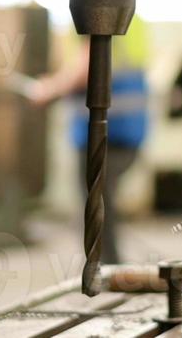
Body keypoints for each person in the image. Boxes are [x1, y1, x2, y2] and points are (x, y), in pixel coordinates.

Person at [30, 14, 150, 264]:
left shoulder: (93, 8)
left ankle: (107, 269)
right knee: (99, 202)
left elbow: (86, 67)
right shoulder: (129, 14)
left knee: (96, 203)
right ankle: (107, 267)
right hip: (126, 131)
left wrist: (48, 89)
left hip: (108, 134)